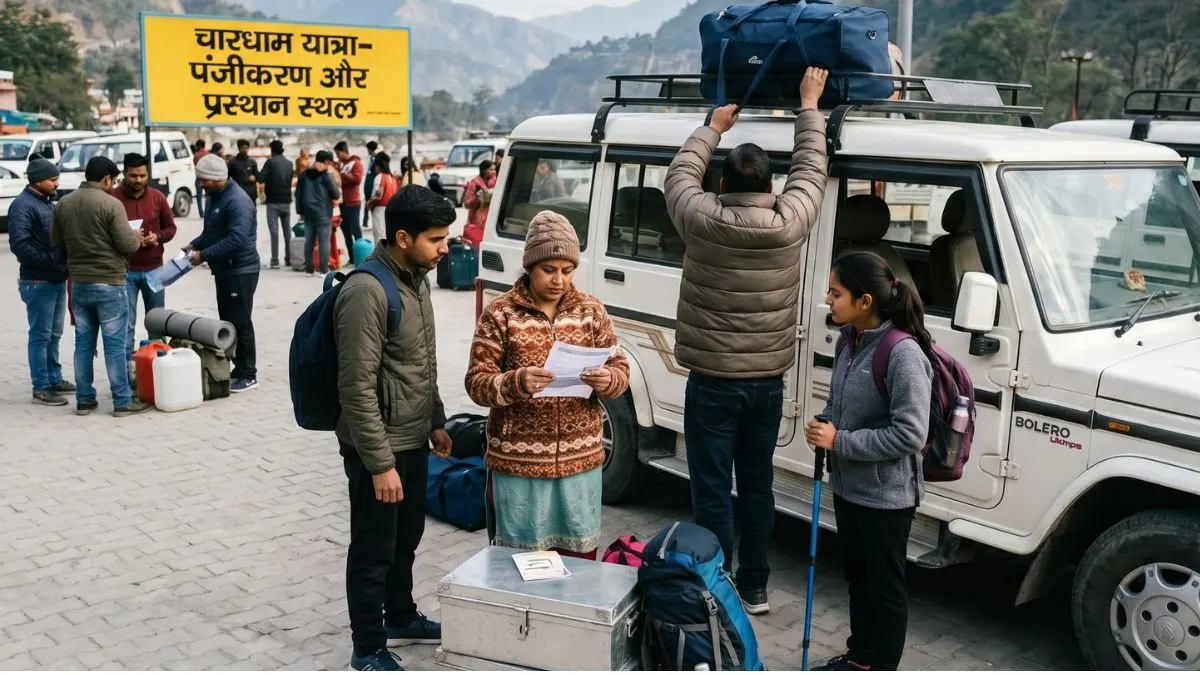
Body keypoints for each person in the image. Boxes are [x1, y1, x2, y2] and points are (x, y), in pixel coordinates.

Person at [663, 67, 830, 615]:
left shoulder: (702, 218)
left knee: (711, 489)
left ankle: (719, 584)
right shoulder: (789, 222)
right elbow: (812, 168)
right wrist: (810, 106)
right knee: (757, 486)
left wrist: (711, 127)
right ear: (771, 187)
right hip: (766, 384)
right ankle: (756, 586)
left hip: (711, 383)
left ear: (723, 186)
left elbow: (678, 176)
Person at [334, 185, 457, 671]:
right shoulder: (367, 290)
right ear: (403, 238)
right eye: (436, 239)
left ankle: (400, 616)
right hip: (377, 449)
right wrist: (380, 464)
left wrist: (437, 420)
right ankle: (367, 648)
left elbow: (417, 362)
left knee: (405, 540)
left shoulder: (416, 278)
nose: (445, 248)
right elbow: (356, 387)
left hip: (412, 438)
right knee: (372, 550)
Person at [465, 211, 630, 560]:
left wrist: (608, 379)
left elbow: (619, 368)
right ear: (529, 267)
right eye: (548, 270)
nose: (559, 280)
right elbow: (477, 383)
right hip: (518, 465)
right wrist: (516, 382)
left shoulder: (591, 310)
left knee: (577, 564)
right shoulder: (500, 313)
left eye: (567, 271)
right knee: (522, 564)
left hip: (580, 462)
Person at [803, 251, 933, 672]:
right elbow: (840, 401)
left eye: (835, 292)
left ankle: (879, 664)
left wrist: (840, 440)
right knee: (858, 580)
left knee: (883, 587)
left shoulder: (903, 354)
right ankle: (860, 657)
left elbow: (911, 434)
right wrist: (827, 423)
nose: (827, 299)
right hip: (850, 486)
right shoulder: (848, 340)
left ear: (864, 302)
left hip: (887, 495)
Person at [51, 156, 149, 417]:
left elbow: (57, 247)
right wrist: (136, 238)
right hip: (109, 283)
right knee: (114, 345)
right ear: (107, 179)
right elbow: (127, 245)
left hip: (79, 284)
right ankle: (122, 401)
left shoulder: (64, 203)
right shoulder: (111, 204)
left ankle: (84, 400)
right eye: (113, 180)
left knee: (83, 343)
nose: (113, 184)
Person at [184, 153, 262, 394]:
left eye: (204, 180)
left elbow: (236, 239)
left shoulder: (237, 201)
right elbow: (214, 231)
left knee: (241, 321)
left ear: (217, 178)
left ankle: (249, 373)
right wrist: (196, 243)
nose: (201, 185)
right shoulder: (215, 196)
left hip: (240, 269)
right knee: (229, 320)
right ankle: (238, 368)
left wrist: (203, 255)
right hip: (225, 269)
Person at [11, 156, 74, 406]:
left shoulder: (47, 202)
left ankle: (54, 377)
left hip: (56, 278)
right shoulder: (22, 205)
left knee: (54, 334)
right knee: (40, 335)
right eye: (53, 179)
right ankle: (41, 387)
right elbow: (20, 245)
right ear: (38, 181)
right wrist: (51, 262)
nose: (57, 183)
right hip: (38, 281)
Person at [113, 152, 177, 366]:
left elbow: (171, 228)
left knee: (157, 322)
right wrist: (127, 239)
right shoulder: (113, 199)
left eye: (142, 175)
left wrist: (157, 237)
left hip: (154, 271)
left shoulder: (158, 197)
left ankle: (159, 368)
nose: (138, 180)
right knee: (126, 325)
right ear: (124, 174)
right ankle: (126, 373)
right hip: (125, 271)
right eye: (133, 176)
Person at [296, 150, 341, 275]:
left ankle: (309, 269)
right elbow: (336, 194)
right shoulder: (326, 175)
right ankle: (323, 270)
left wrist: (300, 211)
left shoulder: (303, 174)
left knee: (309, 241)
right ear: (326, 161)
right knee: (324, 242)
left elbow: (298, 194)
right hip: (323, 213)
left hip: (307, 212)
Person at [262, 140, 294, 269]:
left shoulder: (270, 162)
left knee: (274, 232)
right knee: (287, 233)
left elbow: (261, 178)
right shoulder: (289, 163)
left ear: (272, 150)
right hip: (286, 201)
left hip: (273, 202)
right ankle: (288, 259)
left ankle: (275, 260)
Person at [335, 141, 365, 258]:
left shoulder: (355, 163)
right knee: (345, 230)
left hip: (353, 201)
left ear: (344, 151)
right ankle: (352, 257)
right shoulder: (343, 165)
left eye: (338, 154)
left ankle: (360, 256)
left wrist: (344, 175)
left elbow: (357, 179)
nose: (337, 157)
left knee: (355, 228)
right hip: (343, 201)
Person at [462, 159, 496, 247]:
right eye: (491, 169)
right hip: (476, 217)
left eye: (494, 169)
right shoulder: (475, 183)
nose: (494, 172)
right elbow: (467, 203)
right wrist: (478, 198)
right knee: (476, 240)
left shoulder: (496, 181)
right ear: (484, 170)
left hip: (491, 216)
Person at [367, 153, 398, 244]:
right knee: (388, 235)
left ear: (377, 166)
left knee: (379, 236)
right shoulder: (392, 178)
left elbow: (378, 195)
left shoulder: (380, 177)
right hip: (391, 209)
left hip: (380, 209)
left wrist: (369, 204)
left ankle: (380, 257)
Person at [362, 140, 379, 232]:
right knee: (367, 202)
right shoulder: (370, 158)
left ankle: (367, 221)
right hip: (368, 182)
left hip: (371, 182)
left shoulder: (376, 159)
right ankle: (365, 221)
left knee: (369, 202)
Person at [192, 139, 209, 217]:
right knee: (208, 196)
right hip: (208, 177)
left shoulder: (196, 155)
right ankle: (207, 211)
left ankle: (201, 213)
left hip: (199, 177)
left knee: (199, 196)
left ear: (198, 146)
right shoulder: (207, 154)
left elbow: (195, 164)